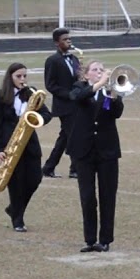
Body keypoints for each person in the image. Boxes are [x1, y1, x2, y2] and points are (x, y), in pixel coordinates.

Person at [69, 60, 125, 252]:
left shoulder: (109, 91)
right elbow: (78, 98)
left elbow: (116, 113)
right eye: (95, 70)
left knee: (108, 195)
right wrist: (99, 84)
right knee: (87, 196)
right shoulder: (79, 88)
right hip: (83, 150)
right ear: (86, 75)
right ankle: (90, 239)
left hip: (107, 149)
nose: (100, 72)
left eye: (102, 70)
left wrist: (114, 95)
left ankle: (106, 240)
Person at [0, 63, 51, 232]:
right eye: (19, 76)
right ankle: (18, 220)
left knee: (34, 179)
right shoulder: (0, 95)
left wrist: (35, 117)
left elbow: (47, 114)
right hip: (10, 145)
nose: (23, 79)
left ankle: (14, 209)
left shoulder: (31, 93)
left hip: (30, 145)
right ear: (10, 77)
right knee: (16, 184)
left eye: (25, 76)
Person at [42, 28, 80, 180]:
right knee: (74, 136)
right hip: (64, 106)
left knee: (65, 138)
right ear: (57, 43)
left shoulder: (75, 59)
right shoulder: (53, 61)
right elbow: (50, 85)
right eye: (65, 39)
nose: (69, 41)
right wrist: (68, 94)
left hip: (77, 104)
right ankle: (74, 169)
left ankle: (48, 167)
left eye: (70, 39)